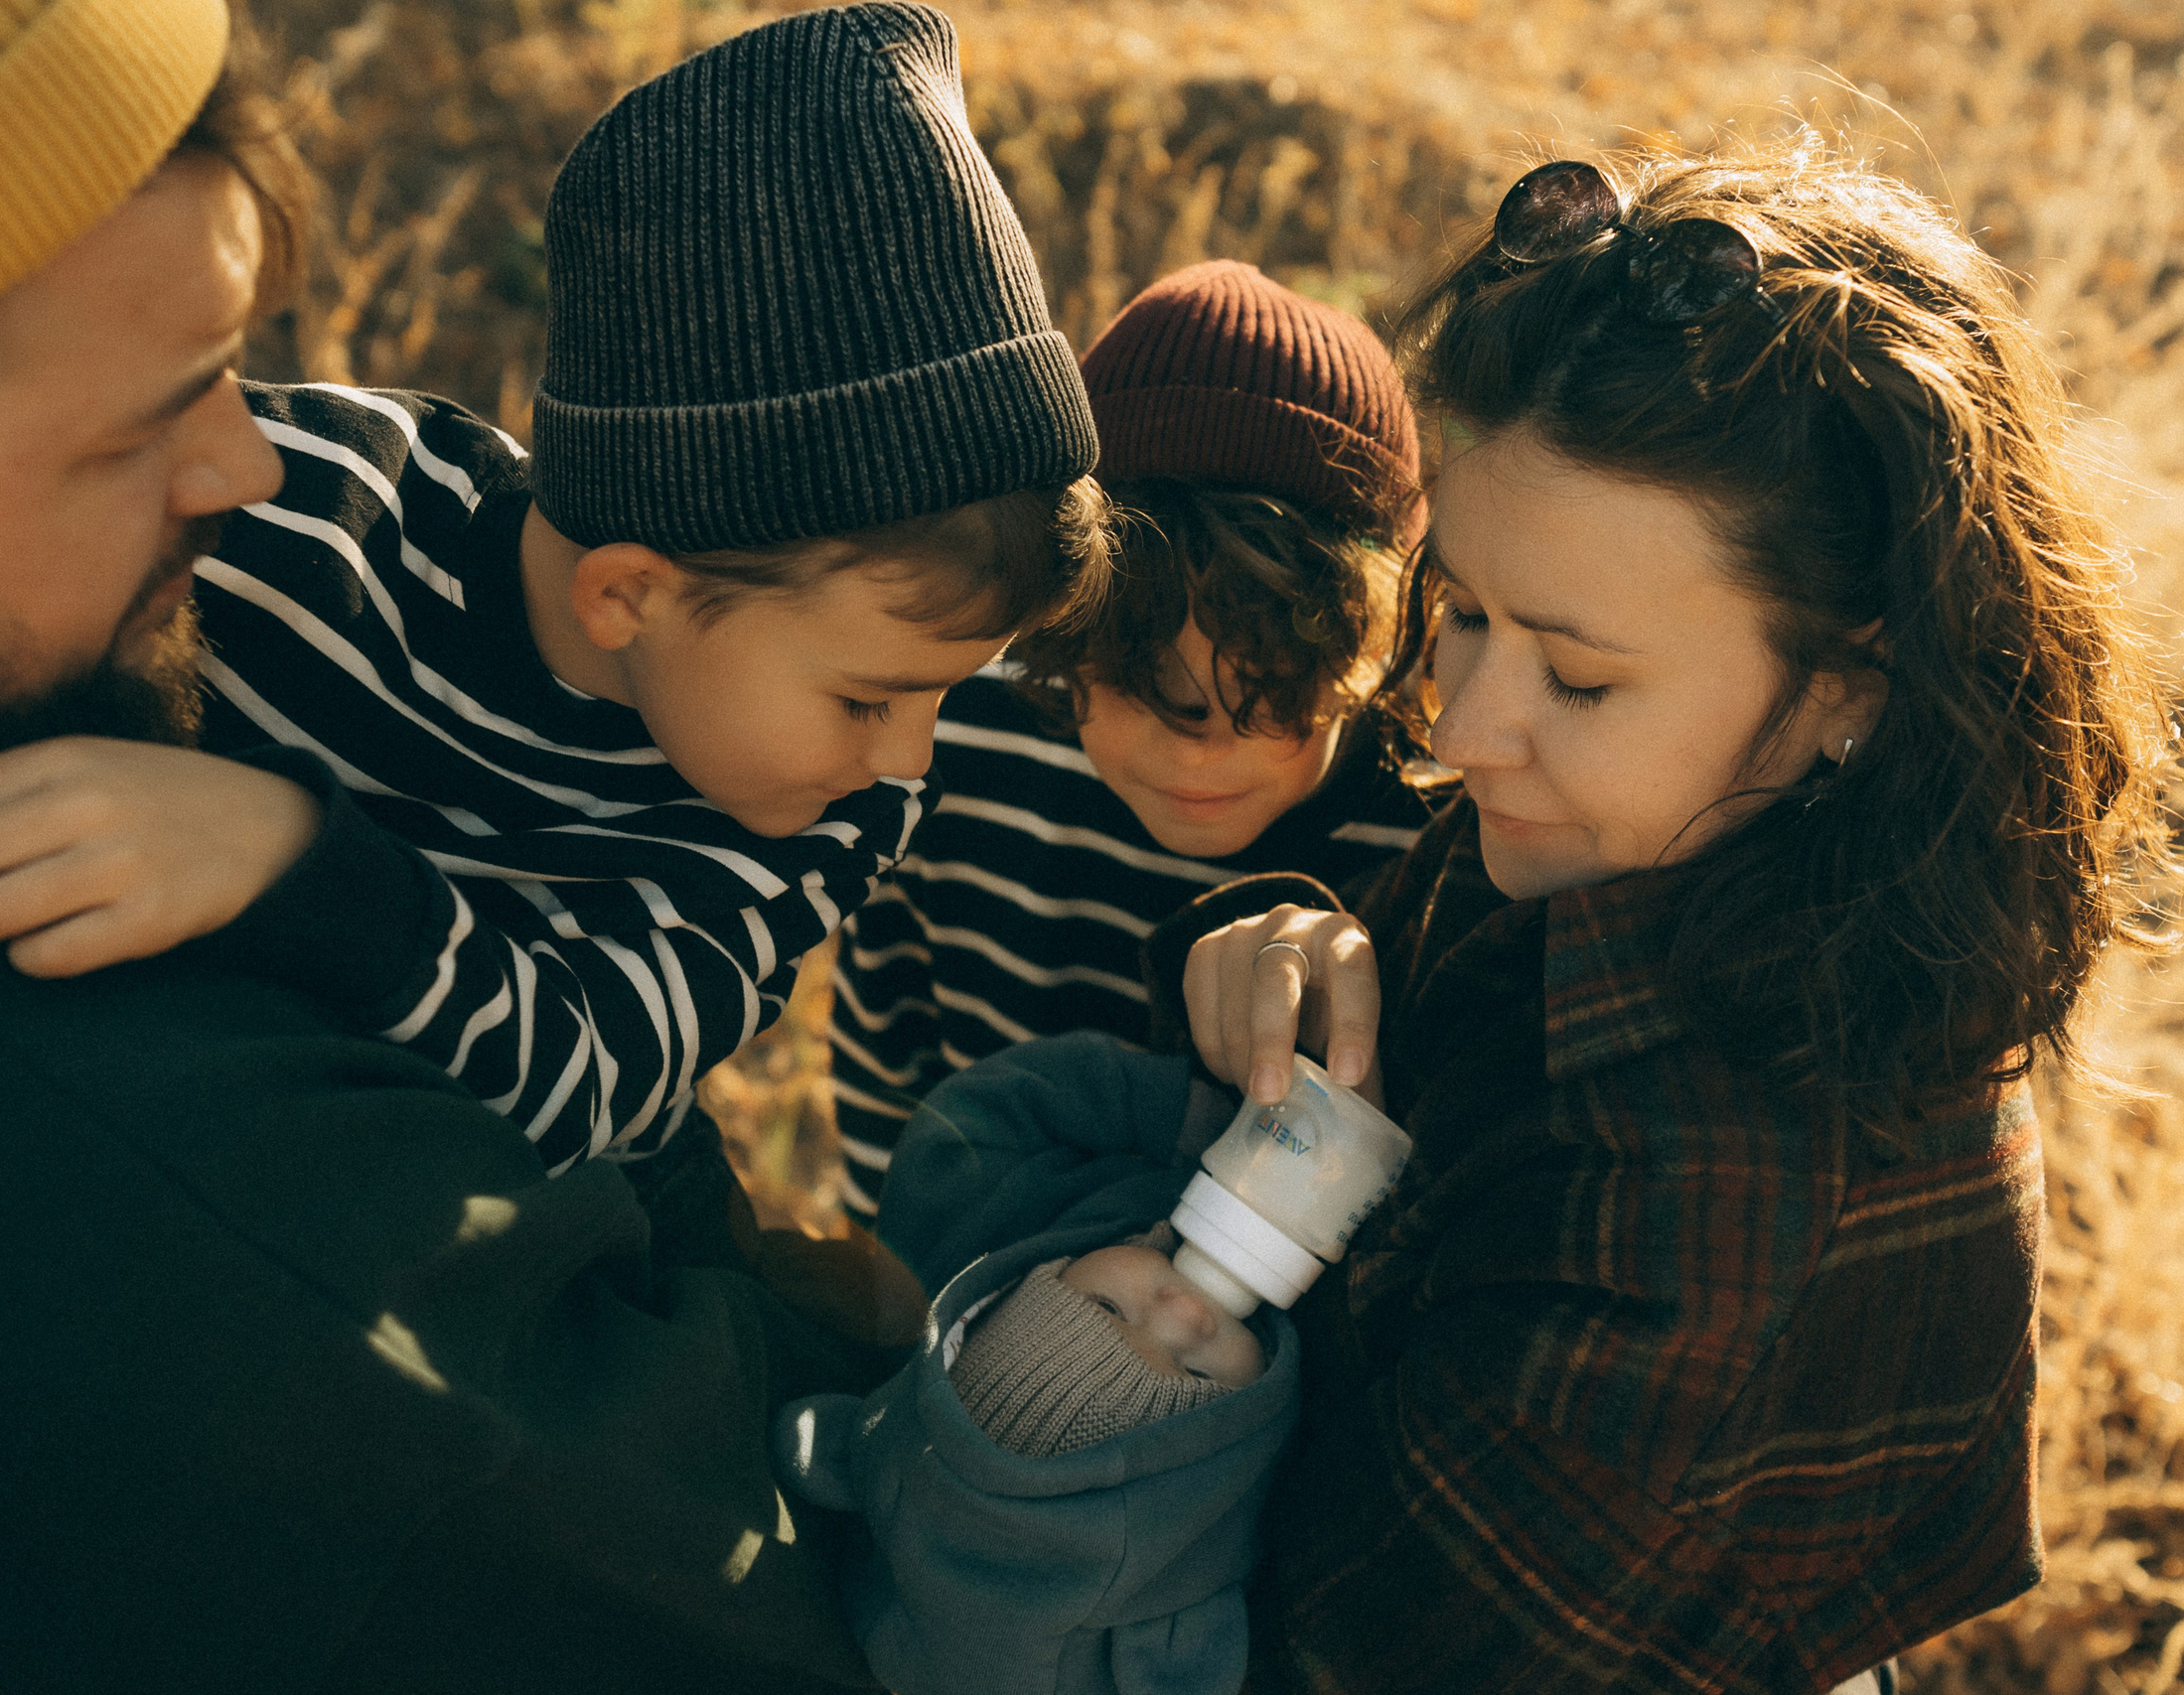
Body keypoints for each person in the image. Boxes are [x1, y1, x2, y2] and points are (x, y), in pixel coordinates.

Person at [0, 1, 1016, 1686]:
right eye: (133, 429)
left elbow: (612, 1063)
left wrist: (309, 868)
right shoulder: (180, 1233)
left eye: (238, 370)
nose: (240, 462)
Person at [1158, 146, 2176, 1690]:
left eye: (1577, 675)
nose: (1465, 726)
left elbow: (1329, 1647)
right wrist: (1295, 948)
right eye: (1468, 611)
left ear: (1846, 686)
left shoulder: (1694, 1228)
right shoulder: (1677, 834)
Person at [823, 260, 1429, 1216]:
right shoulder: (953, 750)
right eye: (1144, 680)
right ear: (1062, 627)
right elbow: (884, 1058)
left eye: (1270, 687)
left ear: (1369, 647)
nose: (1197, 750)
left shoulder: (1437, 833)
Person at [779, 1033, 1302, 1695]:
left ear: (1021, 1296)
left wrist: (1188, 1120)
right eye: (1197, 1378)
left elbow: (978, 1112)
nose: (1187, 1313)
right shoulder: (1268, 1476)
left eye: (1110, 1307)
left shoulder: (983, 1235)